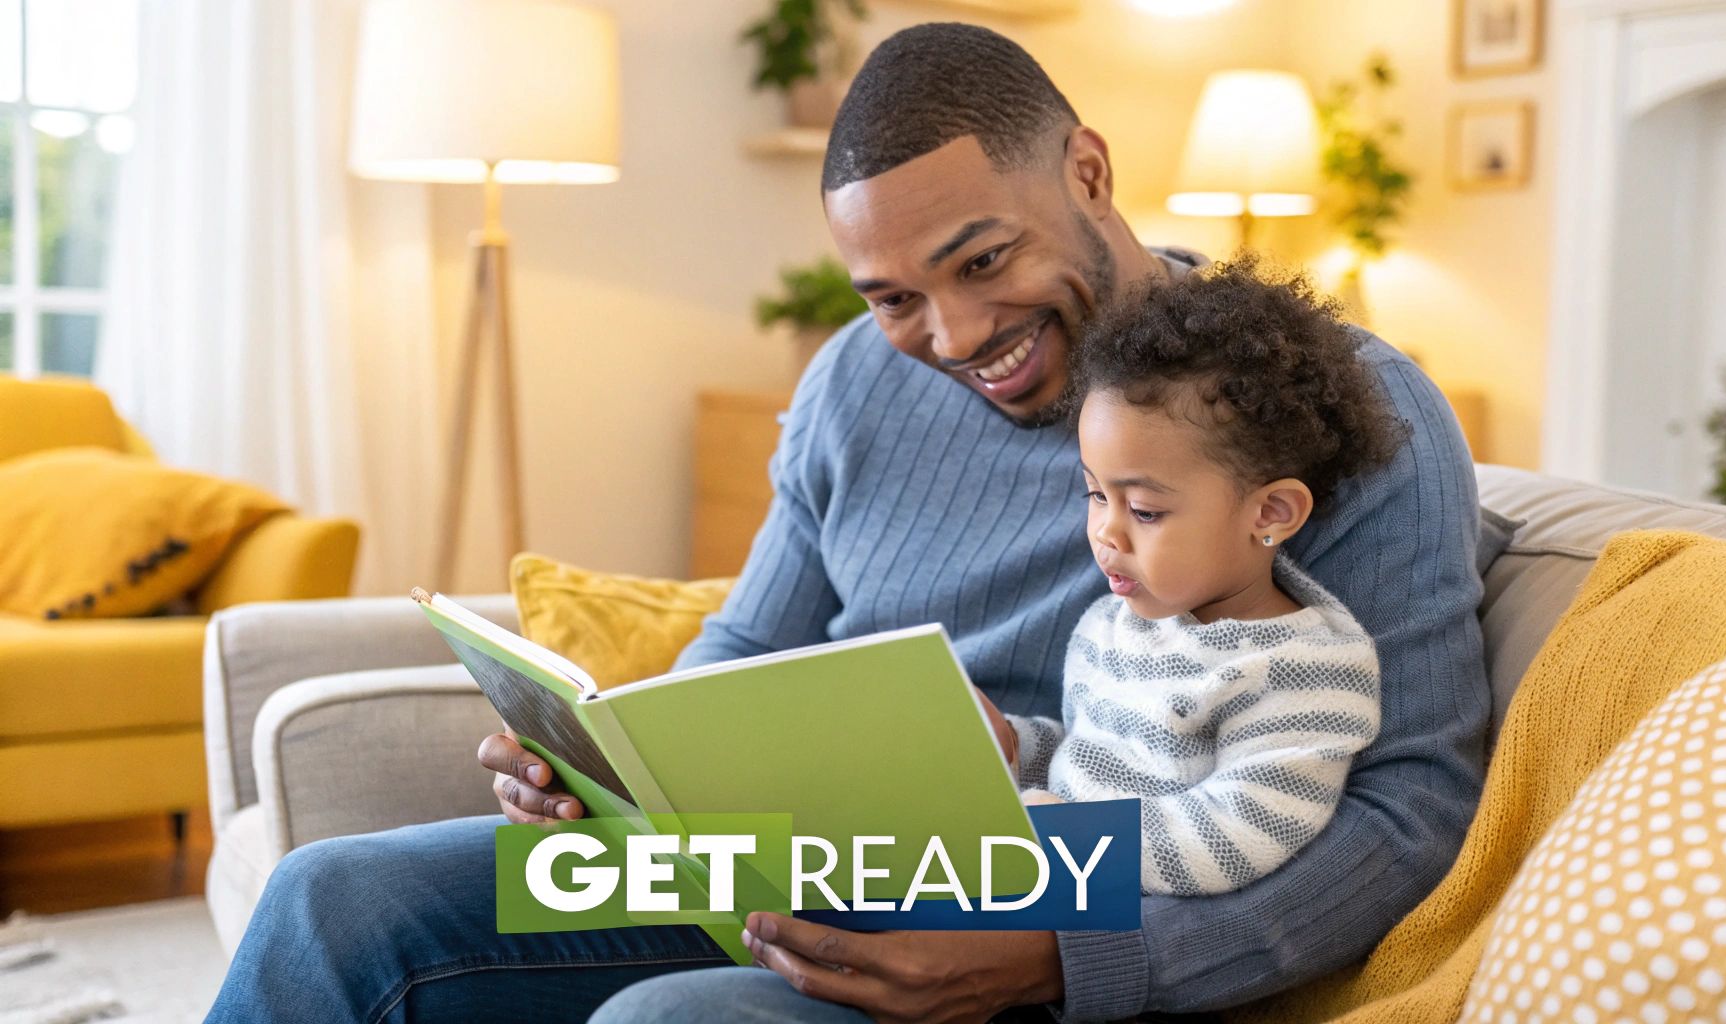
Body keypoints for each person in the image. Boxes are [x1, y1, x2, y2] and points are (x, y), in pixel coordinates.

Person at [206, 22, 1489, 1024]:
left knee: (675, 1016)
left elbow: (1411, 811)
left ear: (1087, 172)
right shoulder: (851, 381)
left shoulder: (1335, 404)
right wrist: (614, 783)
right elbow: (746, 648)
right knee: (335, 897)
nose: (952, 336)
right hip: (798, 863)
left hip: (1064, 905)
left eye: (982, 262)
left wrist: (1061, 957)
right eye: (892, 296)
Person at [996, 260, 1400, 904]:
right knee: (797, 884)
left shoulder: (1308, 669)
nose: (1107, 533)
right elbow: (1089, 765)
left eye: (1146, 511)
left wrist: (1056, 835)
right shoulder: (1113, 624)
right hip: (1043, 876)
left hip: (1098, 921)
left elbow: (1231, 838)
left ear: (1270, 513)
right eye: (1096, 495)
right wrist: (1016, 747)